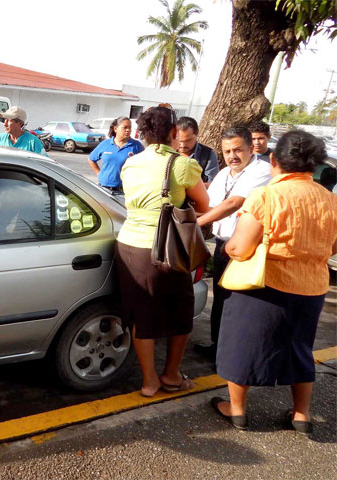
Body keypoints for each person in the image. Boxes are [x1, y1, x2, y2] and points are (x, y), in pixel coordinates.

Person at [211, 130, 337, 433]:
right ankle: (301, 414)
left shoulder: (266, 196)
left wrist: (228, 249)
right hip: (312, 286)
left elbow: (240, 248)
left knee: (243, 344)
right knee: (300, 347)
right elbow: (333, 247)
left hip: (264, 286)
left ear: (274, 161)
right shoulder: (330, 199)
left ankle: (237, 411)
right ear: (314, 165)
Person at [115, 106, 210, 397]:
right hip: (167, 248)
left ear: (142, 133)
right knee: (180, 313)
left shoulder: (131, 162)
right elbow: (204, 205)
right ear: (173, 132)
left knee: (141, 314)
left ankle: (149, 382)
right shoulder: (181, 164)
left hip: (129, 245)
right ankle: (171, 375)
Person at [193, 127, 272, 360]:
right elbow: (213, 207)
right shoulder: (224, 173)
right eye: (227, 151)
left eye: (238, 150)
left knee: (240, 305)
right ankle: (218, 349)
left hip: (247, 250)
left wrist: (194, 224)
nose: (232, 156)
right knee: (221, 301)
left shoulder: (262, 171)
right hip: (223, 245)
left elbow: (233, 203)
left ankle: (234, 356)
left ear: (250, 148)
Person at [87, 116, 144, 193]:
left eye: (129, 127)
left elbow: (144, 165)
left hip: (124, 190)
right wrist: (99, 174)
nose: (128, 130)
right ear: (115, 129)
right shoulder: (105, 144)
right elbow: (91, 159)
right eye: (125, 127)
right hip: (104, 188)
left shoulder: (136, 146)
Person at [176, 116, 219, 185]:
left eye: (188, 140)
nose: (183, 145)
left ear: (197, 133)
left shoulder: (207, 155)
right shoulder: (167, 152)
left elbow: (212, 184)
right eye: (180, 141)